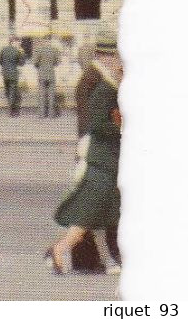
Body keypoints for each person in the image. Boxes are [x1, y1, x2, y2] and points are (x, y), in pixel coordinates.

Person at [47, 38, 122, 275]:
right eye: (116, 58)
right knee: (91, 210)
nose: (118, 64)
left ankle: (105, 259)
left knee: (106, 209)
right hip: (96, 154)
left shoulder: (101, 80)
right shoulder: (95, 81)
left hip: (100, 153)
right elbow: (92, 122)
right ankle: (76, 256)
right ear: (105, 56)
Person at [35, 37, 62, 120]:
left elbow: (35, 62)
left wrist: (40, 66)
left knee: (41, 94)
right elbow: (57, 62)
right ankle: (51, 114)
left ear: (43, 41)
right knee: (51, 95)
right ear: (51, 41)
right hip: (51, 74)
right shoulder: (55, 50)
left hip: (41, 74)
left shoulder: (39, 49)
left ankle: (41, 114)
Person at [0, 36, 25, 117]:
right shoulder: (17, 51)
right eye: (18, 42)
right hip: (13, 74)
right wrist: (22, 53)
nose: (19, 43)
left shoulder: (3, 49)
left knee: (7, 91)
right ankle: (12, 111)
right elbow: (21, 63)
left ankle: (10, 108)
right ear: (14, 42)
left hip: (5, 73)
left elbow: (0, 61)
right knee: (13, 92)